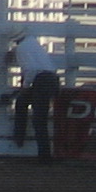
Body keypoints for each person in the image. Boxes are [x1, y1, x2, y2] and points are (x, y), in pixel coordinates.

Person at [8, 30, 61, 161]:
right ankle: (40, 151)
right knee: (30, 109)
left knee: (38, 118)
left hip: (41, 81)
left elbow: (30, 69)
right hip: (50, 79)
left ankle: (41, 154)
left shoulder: (21, 49)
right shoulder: (33, 43)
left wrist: (25, 86)